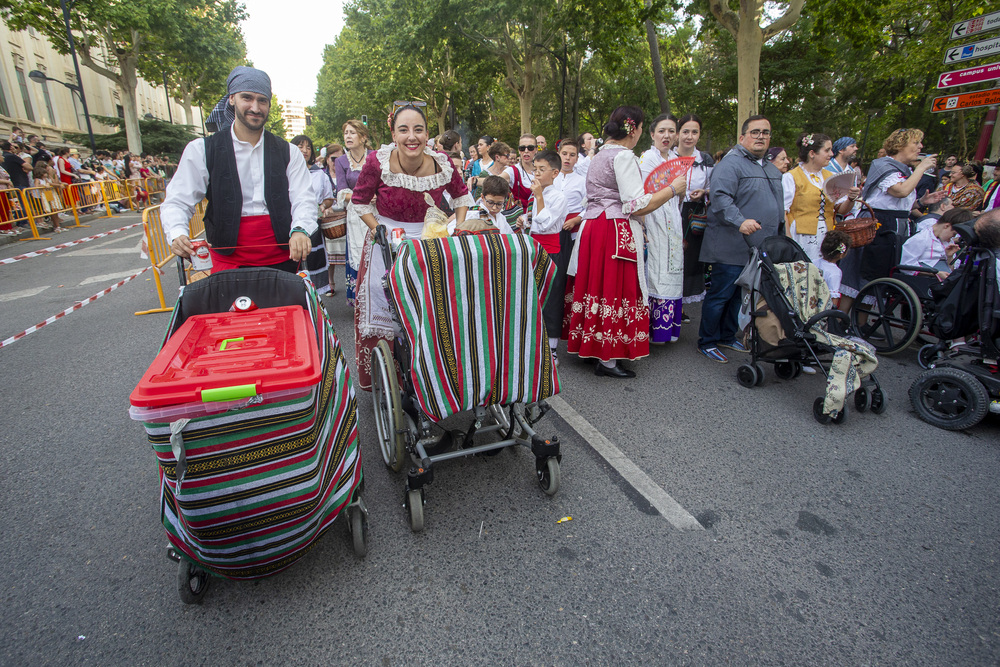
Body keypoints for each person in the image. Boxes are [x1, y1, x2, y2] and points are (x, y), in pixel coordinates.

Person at [350, 103, 473, 390]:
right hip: (387, 240)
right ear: (393, 134)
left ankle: (437, 373)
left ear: (428, 134)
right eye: (403, 130)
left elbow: (462, 197)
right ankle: (392, 378)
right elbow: (359, 201)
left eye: (418, 129)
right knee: (387, 311)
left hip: (431, 240)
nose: (411, 136)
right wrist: (378, 229)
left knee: (433, 310)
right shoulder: (376, 161)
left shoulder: (442, 161)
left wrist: (459, 227)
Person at [162, 66, 316, 272]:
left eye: (262, 100)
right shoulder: (202, 150)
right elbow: (177, 200)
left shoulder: (289, 152)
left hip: (283, 258)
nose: (255, 107)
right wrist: (177, 232)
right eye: (247, 98)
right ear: (232, 99)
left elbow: (304, 198)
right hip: (226, 261)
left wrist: (300, 229)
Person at [566, 105, 678, 378]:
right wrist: (673, 189)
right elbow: (636, 204)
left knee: (596, 287)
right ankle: (607, 359)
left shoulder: (598, 156)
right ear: (636, 129)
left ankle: (592, 347)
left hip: (593, 227)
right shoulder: (624, 157)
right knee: (616, 290)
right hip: (614, 230)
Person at [698, 115, 784, 364]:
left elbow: (778, 206)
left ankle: (726, 335)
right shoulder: (730, 164)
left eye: (765, 132)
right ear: (742, 137)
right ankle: (707, 340)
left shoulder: (768, 167)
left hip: (758, 246)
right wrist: (740, 221)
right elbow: (721, 198)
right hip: (730, 243)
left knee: (739, 295)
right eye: (755, 132)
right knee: (721, 294)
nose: (761, 137)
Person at [838, 128, 946, 313]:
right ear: (900, 145)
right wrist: (921, 168)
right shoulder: (884, 166)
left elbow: (897, 205)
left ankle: (861, 325)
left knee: (876, 277)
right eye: (916, 143)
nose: (920, 147)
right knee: (860, 274)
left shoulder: (904, 171)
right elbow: (900, 191)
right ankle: (840, 321)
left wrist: (922, 202)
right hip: (876, 227)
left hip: (893, 228)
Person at [638, 113, 688, 344]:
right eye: (661, 131)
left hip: (673, 223)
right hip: (655, 219)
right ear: (652, 134)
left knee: (672, 271)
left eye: (671, 131)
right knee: (655, 273)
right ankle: (652, 330)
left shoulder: (676, 158)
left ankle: (668, 329)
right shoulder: (647, 159)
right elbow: (642, 196)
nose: (666, 135)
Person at [782, 133, 860, 264]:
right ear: (812, 153)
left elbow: (841, 210)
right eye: (827, 150)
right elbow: (783, 212)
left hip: (826, 235)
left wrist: (851, 199)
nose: (831, 154)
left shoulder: (831, 176)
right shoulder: (791, 177)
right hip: (801, 235)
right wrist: (789, 240)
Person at [528, 149, 569, 364]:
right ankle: (533, 343)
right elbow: (534, 222)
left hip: (551, 251)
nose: (537, 174)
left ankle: (552, 349)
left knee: (551, 297)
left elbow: (546, 223)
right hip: (533, 248)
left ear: (554, 173)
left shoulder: (559, 196)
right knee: (532, 296)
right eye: (535, 169)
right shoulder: (536, 195)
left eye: (541, 170)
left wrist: (539, 197)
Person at [675, 114, 714, 313]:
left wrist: (704, 192)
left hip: (693, 215)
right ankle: (668, 305)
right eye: (686, 131)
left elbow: (713, 187)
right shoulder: (667, 157)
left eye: (694, 132)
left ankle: (680, 306)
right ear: (678, 133)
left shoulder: (705, 161)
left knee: (689, 260)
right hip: (671, 212)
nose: (689, 136)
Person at [335, 119, 376, 307]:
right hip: (355, 213)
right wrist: (364, 195)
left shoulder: (375, 157)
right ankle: (361, 302)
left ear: (363, 137)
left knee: (377, 252)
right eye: (346, 133)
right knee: (358, 255)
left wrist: (378, 195)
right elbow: (342, 191)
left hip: (376, 211)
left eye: (352, 132)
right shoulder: (341, 161)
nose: (348, 136)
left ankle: (381, 298)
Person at [290, 134, 334, 296]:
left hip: (313, 225)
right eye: (300, 146)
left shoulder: (319, 174)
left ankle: (315, 300)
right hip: (291, 225)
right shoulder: (285, 171)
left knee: (312, 260)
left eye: (308, 147)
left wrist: (322, 206)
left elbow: (329, 198)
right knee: (293, 261)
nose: (305, 150)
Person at [502, 133, 537, 218]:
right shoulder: (512, 171)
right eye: (522, 148)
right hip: (520, 222)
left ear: (536, 150)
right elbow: (496, 180)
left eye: (530, 148)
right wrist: (475, 180)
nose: (526, 151)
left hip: (540, 220)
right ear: (519, 150)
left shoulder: (543, 170)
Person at [817, 230, 851, 306]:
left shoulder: (813, 261)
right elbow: (833, 297)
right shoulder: (835, 272)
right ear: (841, 254)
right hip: (822, 307)